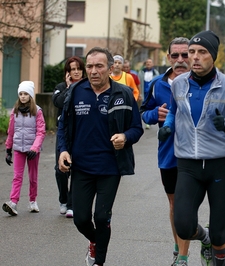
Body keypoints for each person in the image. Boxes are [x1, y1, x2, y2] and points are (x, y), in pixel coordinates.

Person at [157, 30, 225, 266]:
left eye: (202, 52)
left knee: (220, 234)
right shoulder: (179, 84)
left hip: (220, 167)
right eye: (192, 52)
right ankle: (204, 237)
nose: (195, 57)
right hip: (188, 165)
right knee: (183, 226)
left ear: (213, 56)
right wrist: (168, 126)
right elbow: (173, 110)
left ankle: (215, 246)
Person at [57, 47, 144, 266]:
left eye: (99, 66)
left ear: (110, 67)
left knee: (102, 217)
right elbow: (63, 127)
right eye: (90, 66)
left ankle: (99, 262)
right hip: (82, 167)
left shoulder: (123, 93)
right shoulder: (76, 91)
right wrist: (63, 151)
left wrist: (125, 136)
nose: (93, 71)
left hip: (110, 167)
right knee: (81, 219)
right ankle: (97, 241)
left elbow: (137, 128)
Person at [140, 37, 191, 266]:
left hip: (194, 154)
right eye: (175, 55)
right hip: (168, 153)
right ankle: (178, 245)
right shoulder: (158, 84)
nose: (180, 60)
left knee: (185, 205)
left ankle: (183, 257)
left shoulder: (199, 83)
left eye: (185, 55)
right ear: (168, 57)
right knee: (173, 205)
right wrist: (155, 116)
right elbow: (144, 112)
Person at [3, 81, 46, 216]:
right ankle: (13, 202)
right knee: (17, 176)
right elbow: (11, 131)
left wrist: (35, 148)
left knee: (33, 177)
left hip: (33, 150)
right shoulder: (15, 111)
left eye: (25, 94)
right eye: (21, 94)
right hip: (18, 148)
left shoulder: (37, 111)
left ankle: (33, 201)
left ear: (30, 95)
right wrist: (8, 149)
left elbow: (41, 132)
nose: (22, 96)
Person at [52, 56, 86, 218]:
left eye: (79, 68)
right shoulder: (61, 87)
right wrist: (67, 87)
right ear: (68, 72)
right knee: (61, 169)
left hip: (81, 133)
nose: (76, 72)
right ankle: (63, 200)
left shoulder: (86, 87)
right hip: (64, 132)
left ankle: (72, 204)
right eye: (73, 69)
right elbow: (58, 102)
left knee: (77, 169)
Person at [139, 58, 160, 129]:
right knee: (143, 107)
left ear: (153, 64)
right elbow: (139, 84)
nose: (148, 64)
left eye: (150, 62)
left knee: (150, 107)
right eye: (147, 62)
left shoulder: (156, 73)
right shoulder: (141, 72)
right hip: (143, 92)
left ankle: (148, 122)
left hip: (151, 93)